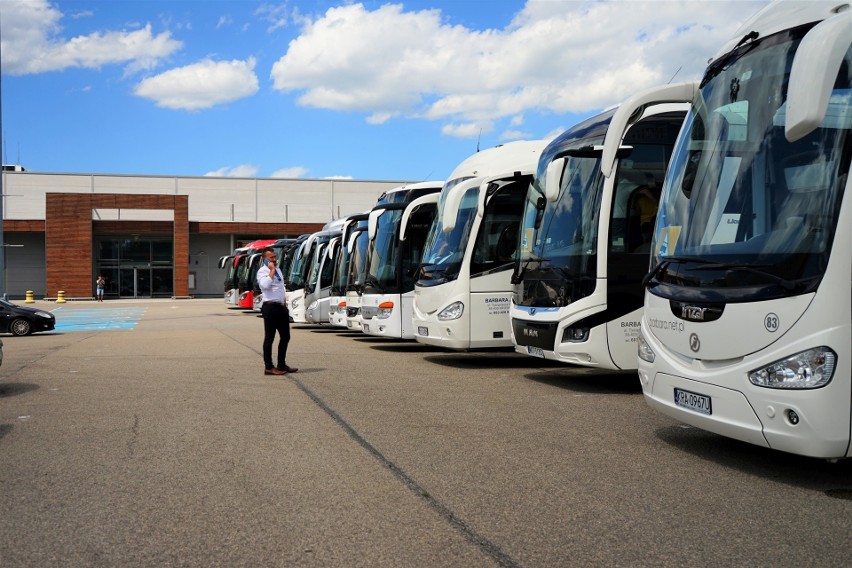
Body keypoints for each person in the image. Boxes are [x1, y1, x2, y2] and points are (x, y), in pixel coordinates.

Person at [257, 247, 298, 376]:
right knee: (270, 337)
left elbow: (280, 288)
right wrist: (272, 270)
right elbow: (265, 286)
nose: (274, 260)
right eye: (271, 258)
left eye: (275, 257)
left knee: (285, 336)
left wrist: (284, 303)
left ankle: (281, 364)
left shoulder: (279, 270)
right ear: (265, 259)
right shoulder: (262, 272)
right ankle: (269, 367)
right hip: (270, 307)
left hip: (280, 307)